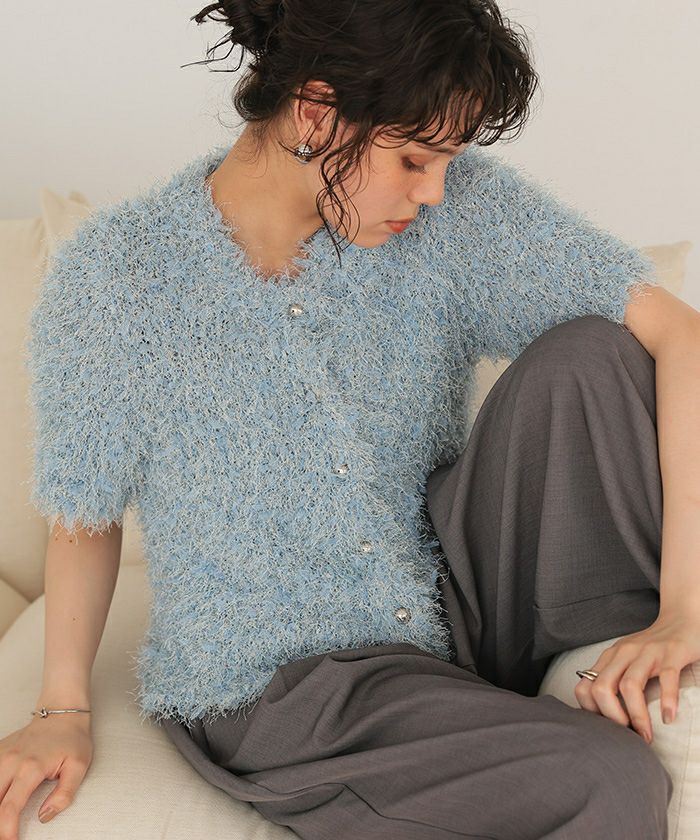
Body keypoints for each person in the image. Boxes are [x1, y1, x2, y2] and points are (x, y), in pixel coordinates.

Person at [1, 0, 678, 838]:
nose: (433, 192)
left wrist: (684, 608)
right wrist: (60, 708)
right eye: (414, 159)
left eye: (448, 161)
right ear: (317, 113)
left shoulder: (451, 214)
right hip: (289, 683)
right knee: (609, 778)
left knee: (596, 353)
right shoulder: (117, 277)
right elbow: (83, 511)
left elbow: (677, 335)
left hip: (451, 600)